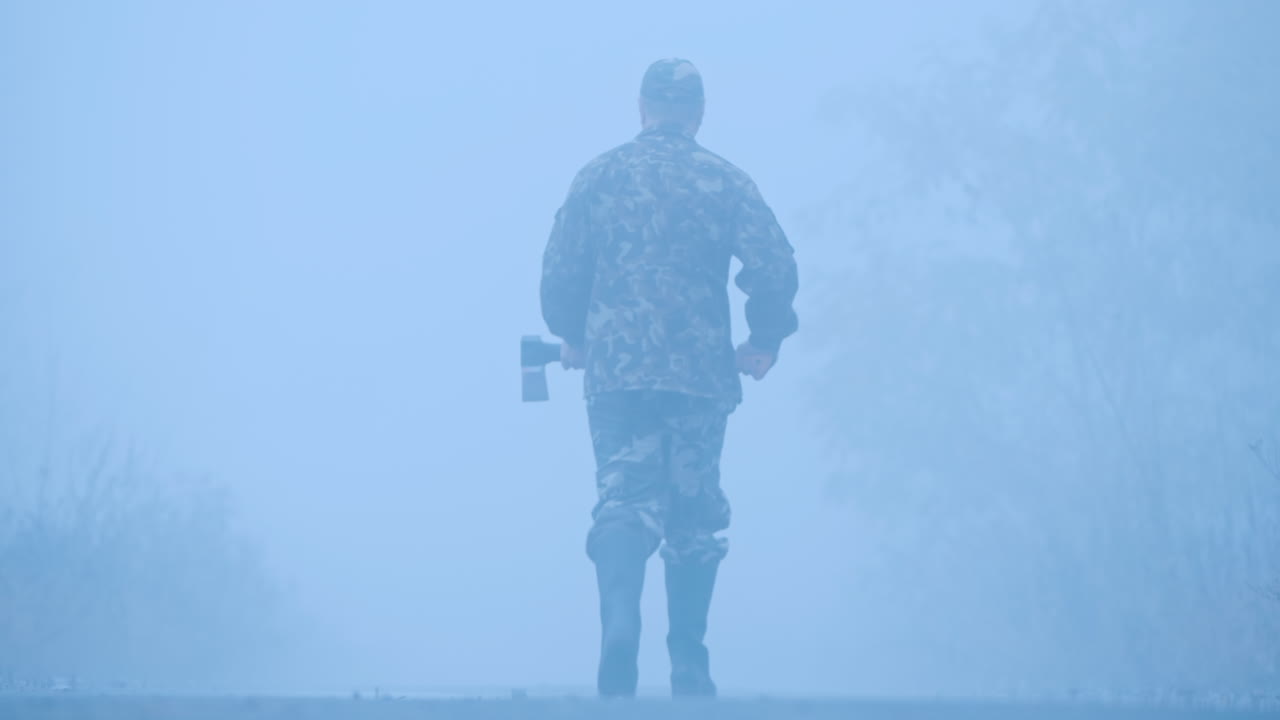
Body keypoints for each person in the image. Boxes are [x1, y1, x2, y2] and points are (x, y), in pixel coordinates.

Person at [540, 58, 799, 699]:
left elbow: (558, 274)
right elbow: (775, 265)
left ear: (642, 108)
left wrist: (573, 333)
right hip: (700, 377)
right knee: (694, 512)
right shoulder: (725, 179)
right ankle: (688, 660)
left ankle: (620, 626)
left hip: (618, 378)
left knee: (625, 498)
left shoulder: (597, 177)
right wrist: (763, 338)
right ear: (699, 112)